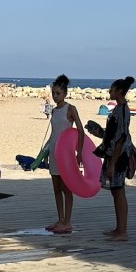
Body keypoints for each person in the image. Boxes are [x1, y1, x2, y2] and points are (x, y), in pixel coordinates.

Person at [44, 74, 85, 234]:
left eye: (58, 93)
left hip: (66, 153)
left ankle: (67, 221)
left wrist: (79, 152)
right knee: (56, 188)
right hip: (54, 151)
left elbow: (80, 131)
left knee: (66, 188)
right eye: (53, 93)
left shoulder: (70, 109)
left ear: (65, 93)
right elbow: (53, 134)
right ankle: (60, 219)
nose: (55, 96)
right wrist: (45, 151)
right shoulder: (54, 111)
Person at [98, 76, 135, 241]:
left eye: (112, 90)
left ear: (120, 91)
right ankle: (118, 228)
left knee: (119, 192)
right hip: (114, 153)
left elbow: (121, 138)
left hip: (119, 156)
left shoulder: (122, 110)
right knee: (115, 191)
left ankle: (123, 231)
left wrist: (112, 164)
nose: (109, 92)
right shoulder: (119, 109)